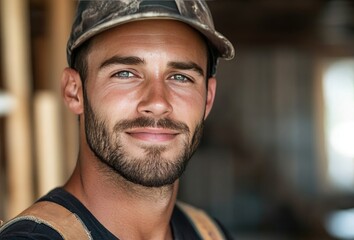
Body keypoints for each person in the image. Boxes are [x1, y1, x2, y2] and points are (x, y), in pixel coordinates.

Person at [0, 0, 234, 239]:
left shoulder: (209, 232)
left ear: (208, 99)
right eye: (125, 74)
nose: (157, 103)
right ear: (74, 92)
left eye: (180, 77)